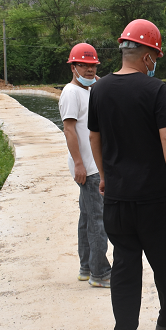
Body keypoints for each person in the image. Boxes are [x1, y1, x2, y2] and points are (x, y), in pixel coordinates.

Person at [88, 19, 166, 330]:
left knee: (125, 265)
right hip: (153, 199)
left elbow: (94, 137)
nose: (155, 63)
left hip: (117, 199)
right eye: (156, 57)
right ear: (147, 55)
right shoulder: (154, 89)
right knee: (165, 261)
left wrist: (104, 176)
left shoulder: (99, 90)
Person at [59, 43, 112, 288]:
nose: (89, 70)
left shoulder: (88, 90)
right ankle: (100, 274)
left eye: (93, 66)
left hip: (91, 165)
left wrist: (96, 82)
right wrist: (79, 164)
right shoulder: (71, 93)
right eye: (83, 65)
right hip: (88, 169)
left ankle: (86, 267)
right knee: (98, 220)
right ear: (73, 67)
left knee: (87, 217)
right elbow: (69, 130)